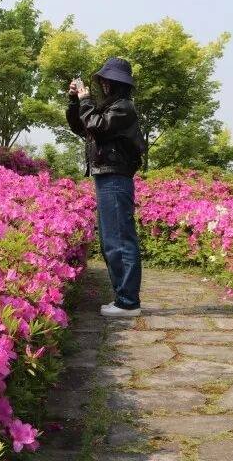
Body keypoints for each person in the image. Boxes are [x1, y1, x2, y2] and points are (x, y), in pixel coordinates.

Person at [66, 57, 146, 318]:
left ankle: (128, 302)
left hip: (115, 177)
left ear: (118, 84)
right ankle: (123, 298)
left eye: (108, 81)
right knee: (112, 239)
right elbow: (82, 126)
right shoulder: (110, 107)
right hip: (108, 177)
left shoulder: (123, 108)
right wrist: (75, 102)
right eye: (103, 81)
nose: (104, 85)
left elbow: (96, 126)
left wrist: (86, 100)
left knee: (119, 238)